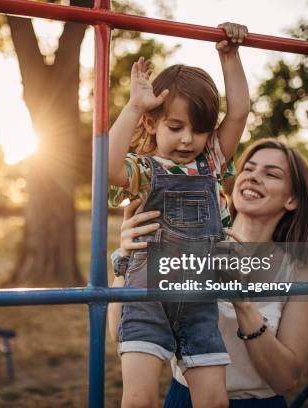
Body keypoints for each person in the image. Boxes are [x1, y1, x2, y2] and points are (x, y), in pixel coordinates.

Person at [109, 139, 308, 407]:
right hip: (185, 399)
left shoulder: (300, 273)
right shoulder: (183, 243)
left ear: (292, 199)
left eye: (270, 174)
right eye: (249, 169)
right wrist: (127, 259)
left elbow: (285, 379)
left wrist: (243, 306)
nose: (253, 177)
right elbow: (118, 331)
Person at [107, 22, 250, 408]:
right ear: (151, 124)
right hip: (147, 296)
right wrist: (134, 105)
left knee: (215, 401)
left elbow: (239, 111)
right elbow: (106, 166)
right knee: (139, 400)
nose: (188, 139)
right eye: (175, 126)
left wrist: (229, 56)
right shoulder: (145, 168)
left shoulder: (211, 163)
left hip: (199, 300)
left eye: (200, 130)